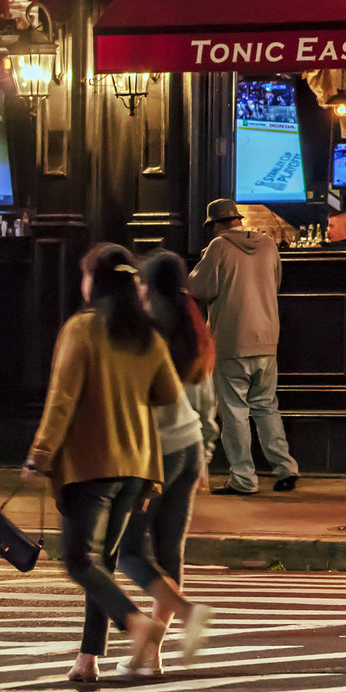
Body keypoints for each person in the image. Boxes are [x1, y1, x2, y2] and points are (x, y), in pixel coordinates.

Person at [24, 245, 204, 683]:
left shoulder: (81, 329)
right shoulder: (146, 336)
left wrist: (40, 455)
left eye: (85, 274)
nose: (81, 283)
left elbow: (62, 399)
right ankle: (88, 660)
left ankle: (137, 623)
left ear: (96, 281)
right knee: (101, 562)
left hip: (92, 463)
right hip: (139, 467)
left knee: (80, 562)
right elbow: (166, 394)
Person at [122, 251, 218, 665]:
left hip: (155, 453)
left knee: (125, 549)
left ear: (148, 285)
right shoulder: (193, 328)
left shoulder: (145, 332)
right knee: (169, 551)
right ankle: (153, 654)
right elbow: (205, 400)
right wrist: (206, 458)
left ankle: (186, 613)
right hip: (191, 449)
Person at [190, 198, 301, 495]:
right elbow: (274, 284)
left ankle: (243, 479)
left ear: (215, 224)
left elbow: (197, 288)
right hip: (267, 339)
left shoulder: (218, 247)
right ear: (238, 219)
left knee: (235, 411)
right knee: (266, 406)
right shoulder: (268, 245)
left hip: (231, 340)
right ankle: (285, 468)